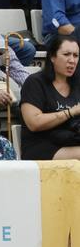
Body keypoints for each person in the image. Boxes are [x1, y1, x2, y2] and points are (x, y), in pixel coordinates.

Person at [21, 32, 80, 160]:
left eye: (76, 55)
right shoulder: (35, 82)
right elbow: (34, 123)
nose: (72, 60)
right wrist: (71, 112)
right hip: (41, 145)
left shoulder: (77, 83)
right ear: (52, 57)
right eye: (66, 55)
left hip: (71, 141)